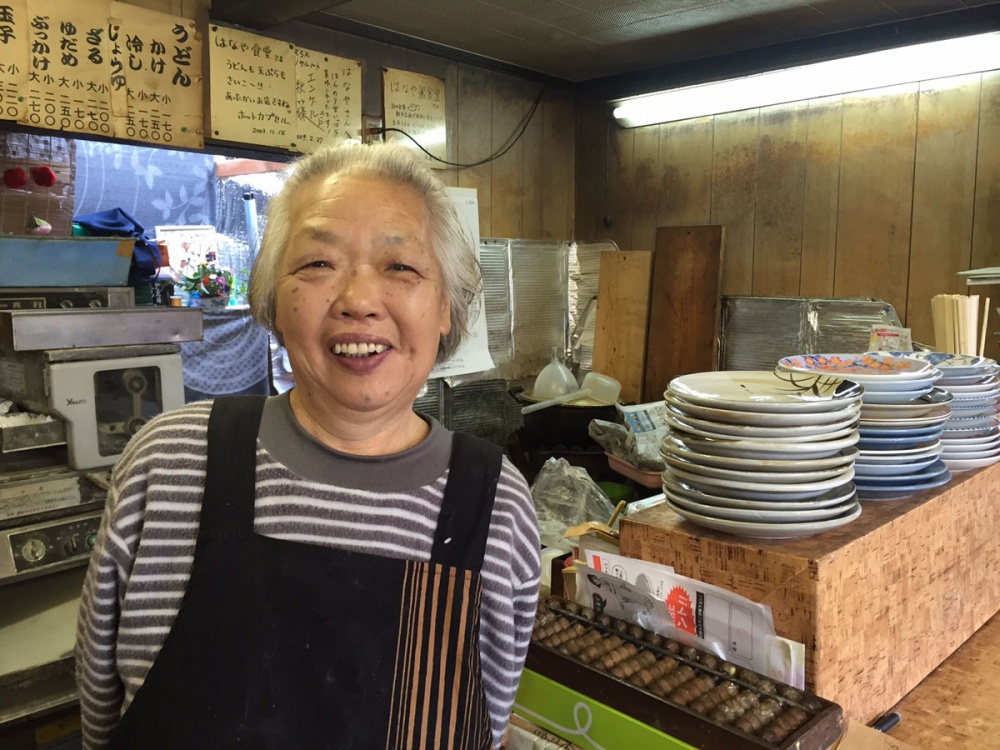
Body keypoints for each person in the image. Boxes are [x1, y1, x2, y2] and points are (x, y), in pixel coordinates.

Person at [75, 142, 541, 749]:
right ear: (271, 300)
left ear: (446, 309)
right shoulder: (169, 463)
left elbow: (488, 725)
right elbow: (99, 712)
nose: (358, 300)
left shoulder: (493, 504)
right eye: (318, 264)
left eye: (401, 268)